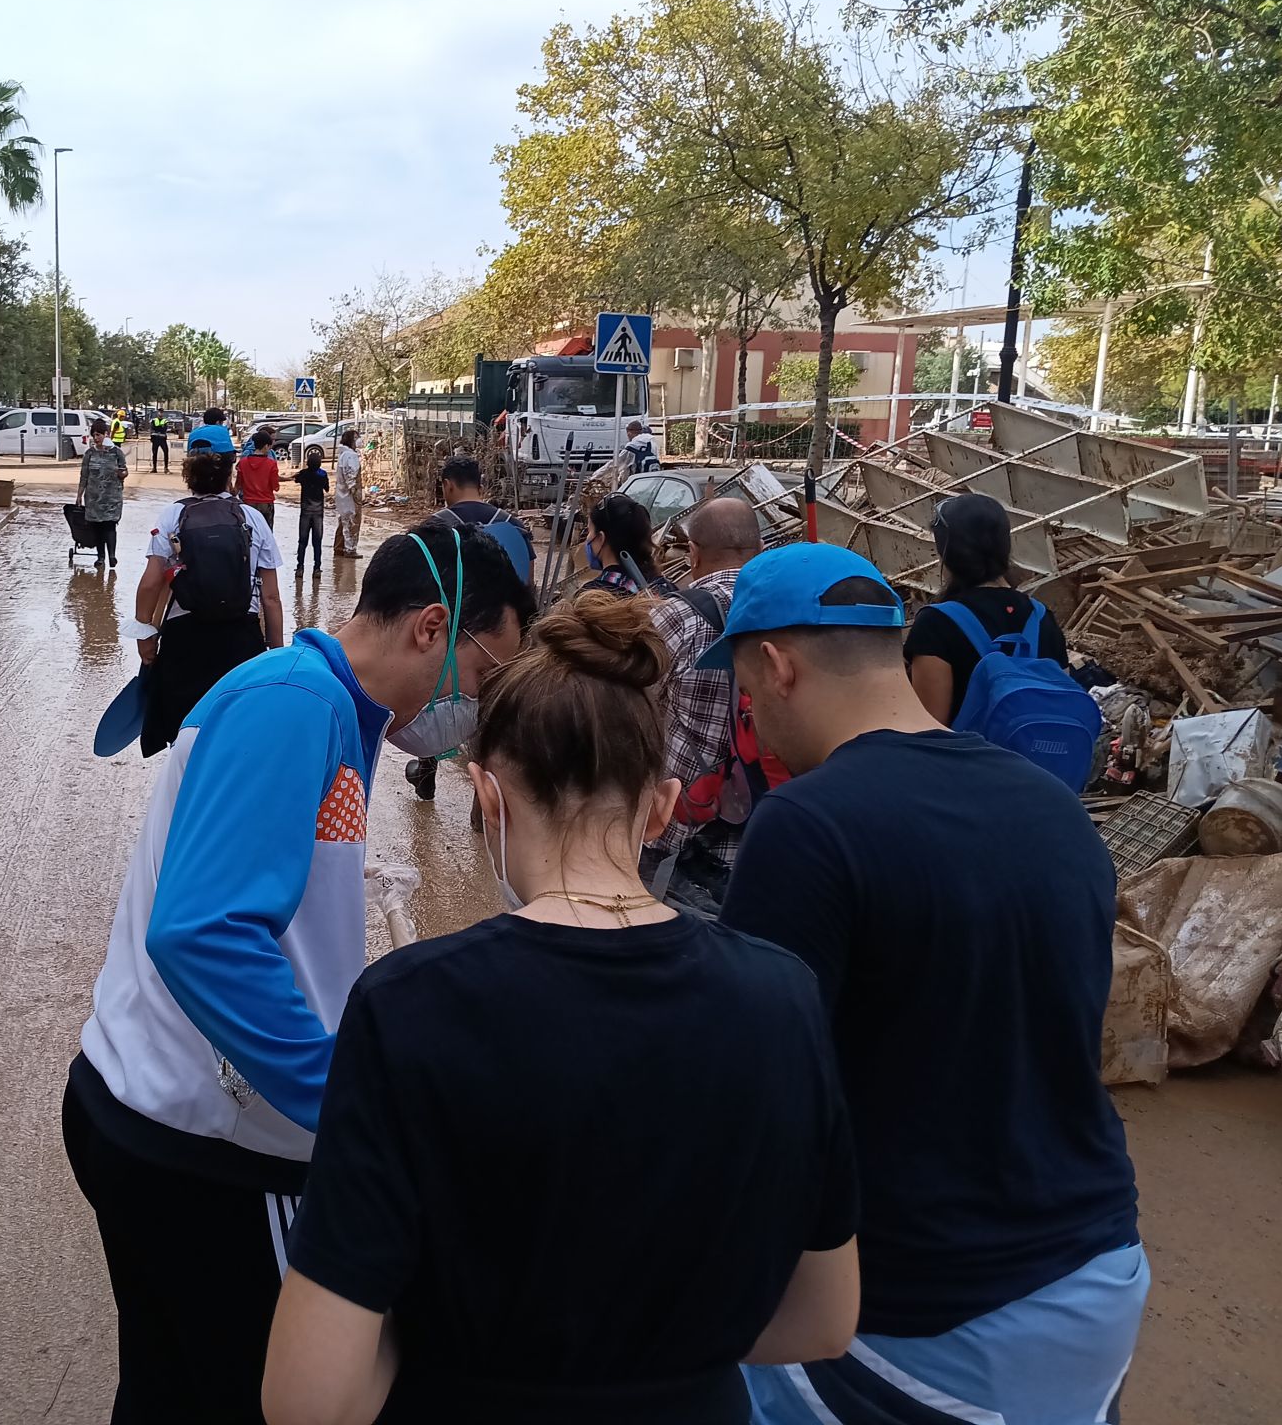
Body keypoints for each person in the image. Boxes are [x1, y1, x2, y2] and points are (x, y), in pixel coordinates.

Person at [261, 589, 859, 1425]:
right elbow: (826, 1320)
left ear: (489, 799)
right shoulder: (783, 996)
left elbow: (309, 1401)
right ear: (659, 806)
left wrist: (433, 1330)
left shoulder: (409, 1007)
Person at [67, 524, 534, 1425]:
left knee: (173, 1388)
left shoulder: (332, 709)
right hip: (202, 1145)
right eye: (485, 679)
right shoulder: (295, 703)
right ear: (432, 629)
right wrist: (345, 1104)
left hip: (158, 1115)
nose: (477, 712)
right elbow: (204, 933)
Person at [701, 543, 1146, 1425]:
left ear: (779, 668)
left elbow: (757, 1099)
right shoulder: (1051, 806)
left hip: (930, 1303)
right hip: (1098, 1275)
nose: (751, 715)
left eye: (747, 693)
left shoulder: (808, 827)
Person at [642, 498, 764, 903]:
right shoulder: (788, 613)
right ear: (760, 548)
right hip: (766, 830)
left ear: (693, 554)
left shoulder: (676, 617)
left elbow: (625, 711)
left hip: (677, 830)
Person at [134, 447, 286, 756]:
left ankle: (185, 790)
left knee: (184, 730)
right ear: (229, 480)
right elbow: (270, 597)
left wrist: (144, 634)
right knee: (236, 732)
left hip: (184, 639)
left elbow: (151, 582)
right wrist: (276, 651)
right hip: (241, 639)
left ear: (189, 481)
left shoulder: (173, 515)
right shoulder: (252, 518)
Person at [404, 454, 536, 800]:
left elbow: (420, 589)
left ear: (448, 485)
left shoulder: (434, 527)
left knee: (433, 701)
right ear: (482, 484)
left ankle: (427, 768)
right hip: (500, 641)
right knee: (492, 712)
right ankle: (483, 796)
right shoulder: (514, 526)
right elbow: (528, 589)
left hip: (451, 637)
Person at [905, 493, 1070, 725]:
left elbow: (930, 731)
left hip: (967, 761)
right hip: (1035, 760)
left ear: (946, 555)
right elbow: (1061, 704)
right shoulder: (1041, 618)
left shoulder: (936, 625)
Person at [580, 491, 673, 598]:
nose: (587, 539)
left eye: (589, 531)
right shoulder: (665, 587)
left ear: (601, 538)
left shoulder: (592, 597)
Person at [76, 417, 129, 569]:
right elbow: (84, 476)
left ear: (106, 434)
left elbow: (125, 472)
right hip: (93, 498)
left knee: (110, 526)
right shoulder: (89, 454)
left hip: (112, 497)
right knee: (97, 527)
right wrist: (79, 495)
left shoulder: (117, 453)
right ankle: (101, 558)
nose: (96, 438)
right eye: (94, 435)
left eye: (99, 434)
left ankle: (112, 556)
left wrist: (121, 473)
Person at [288, 445, 329, 576]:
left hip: (305, 511)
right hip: (318, 512)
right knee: (317, 542)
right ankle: (317, 568)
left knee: (302, 541)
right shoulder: (323, 474)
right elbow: (327, 488)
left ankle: (300, 567)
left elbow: (295, 479)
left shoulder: (303, 474)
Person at [236, 427, 281, 528]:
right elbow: (275, 487)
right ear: (265, 446)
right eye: (269, 446)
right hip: (266, 503)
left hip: (248, 503)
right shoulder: (271, 464)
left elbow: (238, 484)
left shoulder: (243, 463)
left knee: (249, 533)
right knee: (266, 533)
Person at [333, 428, 363, 558]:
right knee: (352, 522)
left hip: (341, 494)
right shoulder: (351, 456)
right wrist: (355, 492)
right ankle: (350, 549)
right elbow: (351, 475)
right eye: (355, 438)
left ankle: (339, 547)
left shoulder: (343, 454)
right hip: (349, 495)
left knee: (343, 520)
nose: (358, 440)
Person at [149, 408, 172, 473]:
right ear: (157, 413)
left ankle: (166, 468)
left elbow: (164, 429)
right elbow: (153, 428)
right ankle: (154, 468)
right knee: (154, 453)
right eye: (159, 412)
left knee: (166, 452)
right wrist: (160, 427)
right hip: (155, 439)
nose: (160, 413)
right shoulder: (154, 420)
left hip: (162, 439)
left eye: (162, 412)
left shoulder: (165, 421)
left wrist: (158, 428)